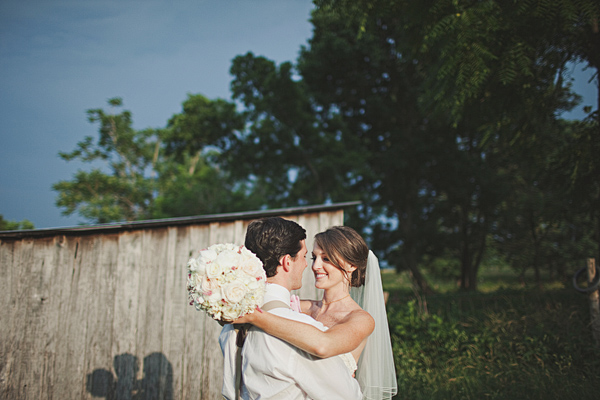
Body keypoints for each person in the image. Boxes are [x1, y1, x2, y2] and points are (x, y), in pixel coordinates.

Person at [234, 226, 398, 400]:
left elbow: (324, 345)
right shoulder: (298, 306)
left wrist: (256, 316)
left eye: (326, 258)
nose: (315, 266)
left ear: (351, 265)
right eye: (313, 257)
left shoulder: (360, 319)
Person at [218, 217, 363, 400]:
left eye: (326, 258)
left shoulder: (231, 323)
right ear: (287, 262)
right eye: (306, 257)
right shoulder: (300, 331)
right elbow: (349, 395)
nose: (310, 266)